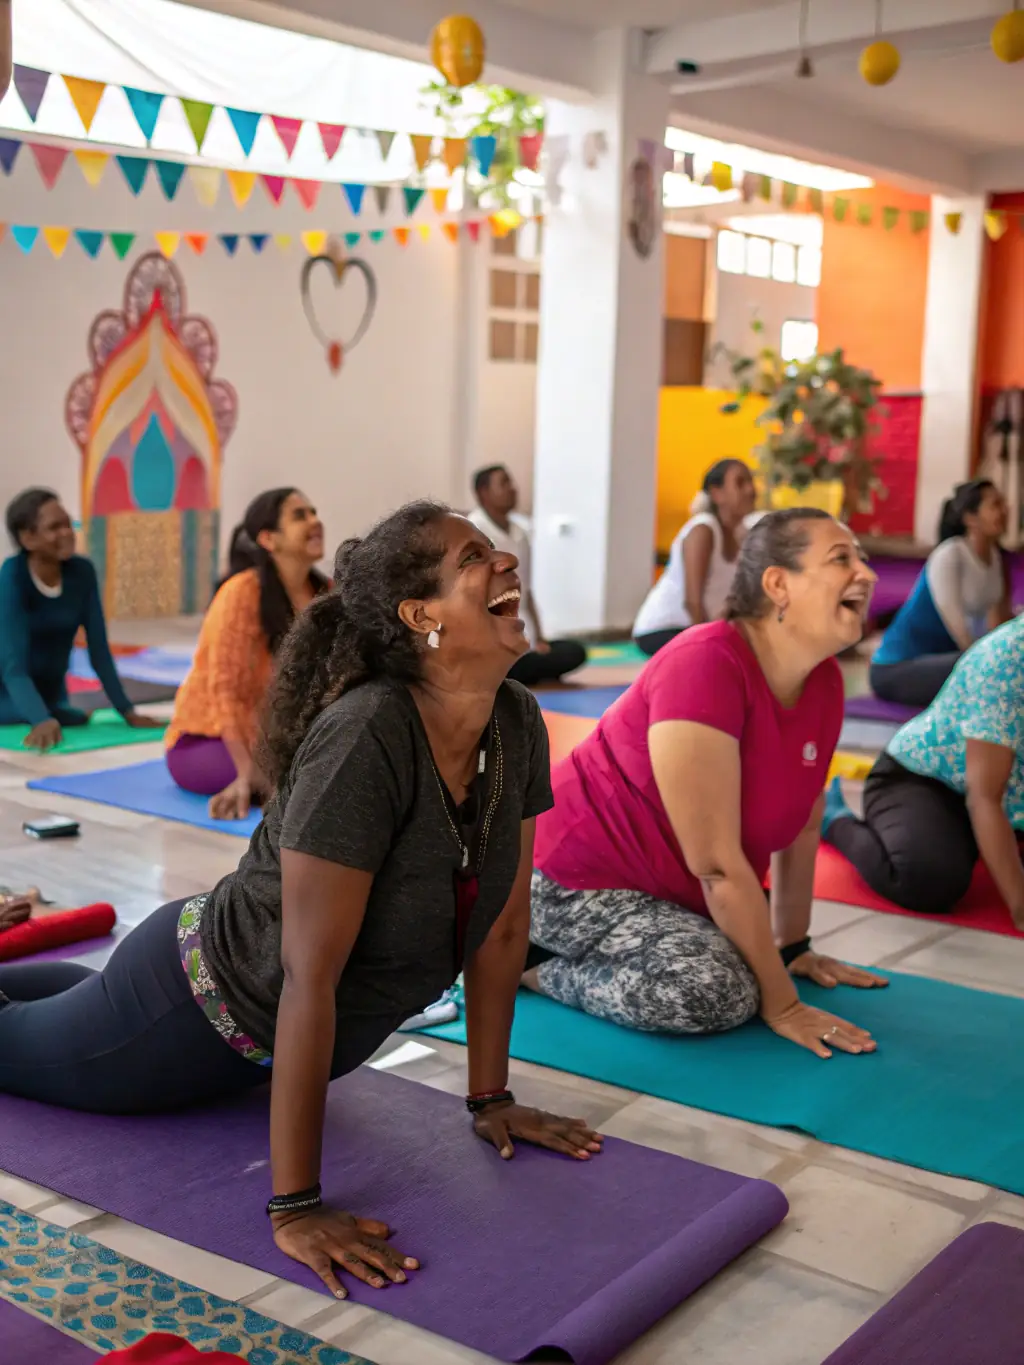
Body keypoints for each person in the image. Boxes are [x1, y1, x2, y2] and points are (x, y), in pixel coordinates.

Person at [0, 501, 602, 1297]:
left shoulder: (515, 721)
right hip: (192, 1007)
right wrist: (295, 1206)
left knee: (55, 1001)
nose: (505, 563)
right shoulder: (367, 735)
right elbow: (307, 973)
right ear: (421, 615)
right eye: (473, 558)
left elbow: (504, 925)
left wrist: (490, 1097)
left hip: (243, 1039)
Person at [529, 508, 888, 1058]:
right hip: (564, 881)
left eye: (861, 558)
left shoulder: (823, 682)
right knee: (717, 990)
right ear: (778, 585)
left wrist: (792, 947)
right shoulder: (705, 663)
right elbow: (717, 865)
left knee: (748, 958)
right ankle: (528, 966)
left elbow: (803, 823)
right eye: (842, 559)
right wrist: (784, 1005)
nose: (867, 573)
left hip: (670, 891)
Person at [823, 614, 1024, 923]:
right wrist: (1020, 907)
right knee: (928, 879)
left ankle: (979, 840)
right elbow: (984, 797)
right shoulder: (1005, 661)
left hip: (1008, 798)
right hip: (924, 780)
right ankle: (837, 820)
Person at [165, 488, 329, 819]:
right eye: (300, 516)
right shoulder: (240, 593)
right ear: (269, 539)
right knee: (304, 780)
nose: (315, 521)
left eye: (314, 512)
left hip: (281, 739)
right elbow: (225, 692)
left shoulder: (326, 593)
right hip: (211, 740)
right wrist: (246, 773)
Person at [0, 488, 162, 750]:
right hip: (8, 694)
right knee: (52, 719)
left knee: (73, 719)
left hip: (52, 696)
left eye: (68, 524)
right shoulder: (12, 577)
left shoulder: (81, 572)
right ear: (28, 538)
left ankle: (50, 712)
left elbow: (99, 649)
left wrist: (127, 711)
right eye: (54, 527)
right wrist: (40, 719)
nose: (66, 533)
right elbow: (13, 667)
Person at [870, 479, 1011, 709]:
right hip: (896, 669)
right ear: (970, 518)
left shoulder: (996, 558)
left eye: (1003, 503)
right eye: (995, 505)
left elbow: (1000, 629)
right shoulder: (950, 555)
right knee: (989, 667)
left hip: (944, 662)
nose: (1005, 511)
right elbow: (960, 631)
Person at [467, 465, 586, 687]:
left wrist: (539, 637)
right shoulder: (473, 531)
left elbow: (526, 588)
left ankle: (522, 667)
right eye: (504, 483)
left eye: (511, 482)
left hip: (523, 637)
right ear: (484, 492)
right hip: (492, 639)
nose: (513, 489)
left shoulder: (520, 533)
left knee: (574, 652)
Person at [632, 459, 758, 656]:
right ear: (716, 493)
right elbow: (693, 602)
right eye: (740, 483)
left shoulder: (744, 534)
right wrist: (707, 645)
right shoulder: (703, 530)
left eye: (751, 481)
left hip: (700, 627)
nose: (751, 490)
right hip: (665, 629)